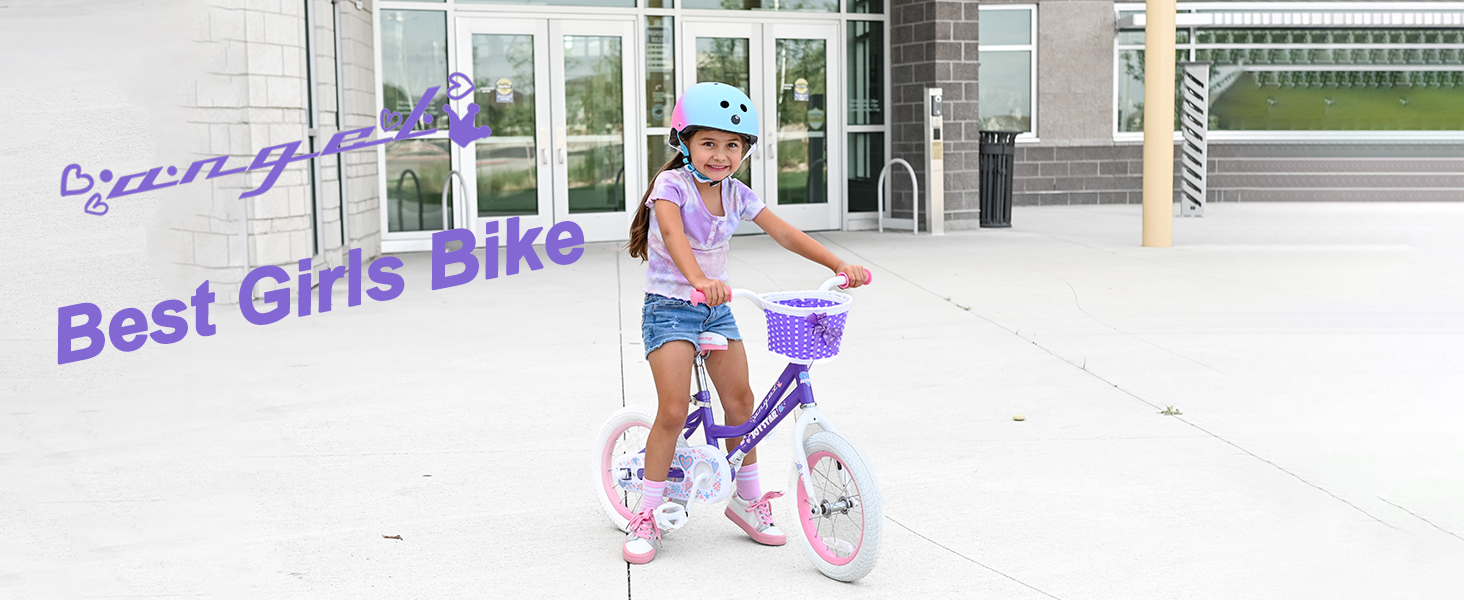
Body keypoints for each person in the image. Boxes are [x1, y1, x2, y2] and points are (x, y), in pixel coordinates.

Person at [622, 82, 868, 564]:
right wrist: (697, 278)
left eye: (732, 145)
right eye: (708, 143)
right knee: (672, 411)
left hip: (717, 309)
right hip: (670, 307)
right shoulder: (670, 186)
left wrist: (837, 265)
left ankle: (747, 501)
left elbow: (785, 233)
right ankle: (647, 511)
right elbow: (672, 234)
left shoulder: (736, 193)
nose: (720, 154)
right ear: (684, 143)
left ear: (745, 151)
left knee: (741, 404)